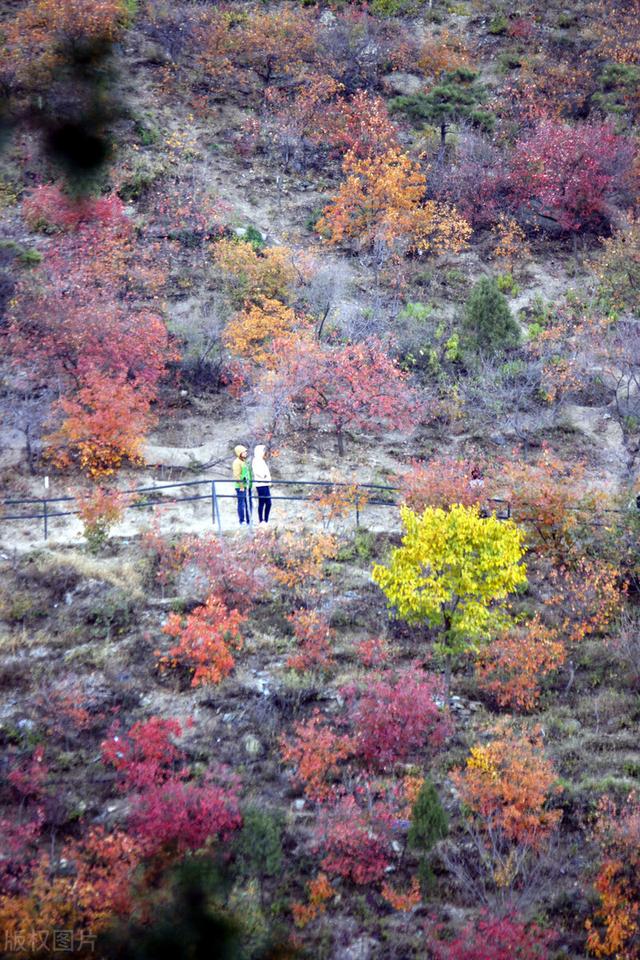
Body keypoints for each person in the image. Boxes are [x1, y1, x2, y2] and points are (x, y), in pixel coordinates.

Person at [232, 444, 252, 525]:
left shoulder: (244, 461)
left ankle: (249, 521)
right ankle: (242, 521)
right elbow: (237, 475)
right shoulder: (236, 462)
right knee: (241, 504)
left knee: (248, 503)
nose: (246, 453)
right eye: (244, 452)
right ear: (239, 453)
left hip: (247, 486)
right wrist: (241, 486)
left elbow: (247, 473)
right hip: (241, 487)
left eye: (246, 452)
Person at [252, 444, 272, 523]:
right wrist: (264, 476)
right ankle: (261, 520)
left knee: (268, 503)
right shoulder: (256, 460)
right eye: (263, 451)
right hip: (260, 484)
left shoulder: (261, 460)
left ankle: (266, 520)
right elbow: (257, 472)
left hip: (265, 484)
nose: (264, 453)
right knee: (262, 502)